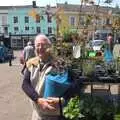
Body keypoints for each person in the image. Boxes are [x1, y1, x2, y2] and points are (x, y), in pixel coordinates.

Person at [22, 34, 71, 120]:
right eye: (38, 45)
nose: (40, 47)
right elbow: (25, 84)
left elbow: (74, 84)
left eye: (44, 45)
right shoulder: (31, 63)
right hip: (37, 114)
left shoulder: (59, 63)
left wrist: (62, 100)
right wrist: (38, 100)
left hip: (55, 115)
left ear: (50, 47)